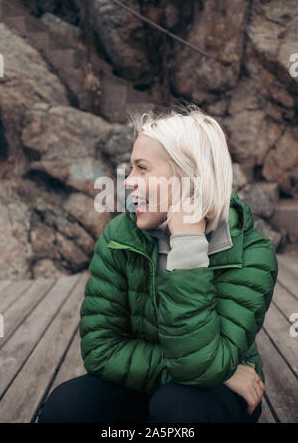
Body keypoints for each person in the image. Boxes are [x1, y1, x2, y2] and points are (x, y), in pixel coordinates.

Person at [37, 103, 278, 423]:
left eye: (142, 168)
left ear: (188, 177)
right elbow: (101, 351)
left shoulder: (252, 254)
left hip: (209, 399)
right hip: (176, 378)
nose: (128, 181)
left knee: (177, 409)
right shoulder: (119, 237)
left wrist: (189, 249)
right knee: (64, 408)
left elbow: (202, 366)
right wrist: (222, 372)